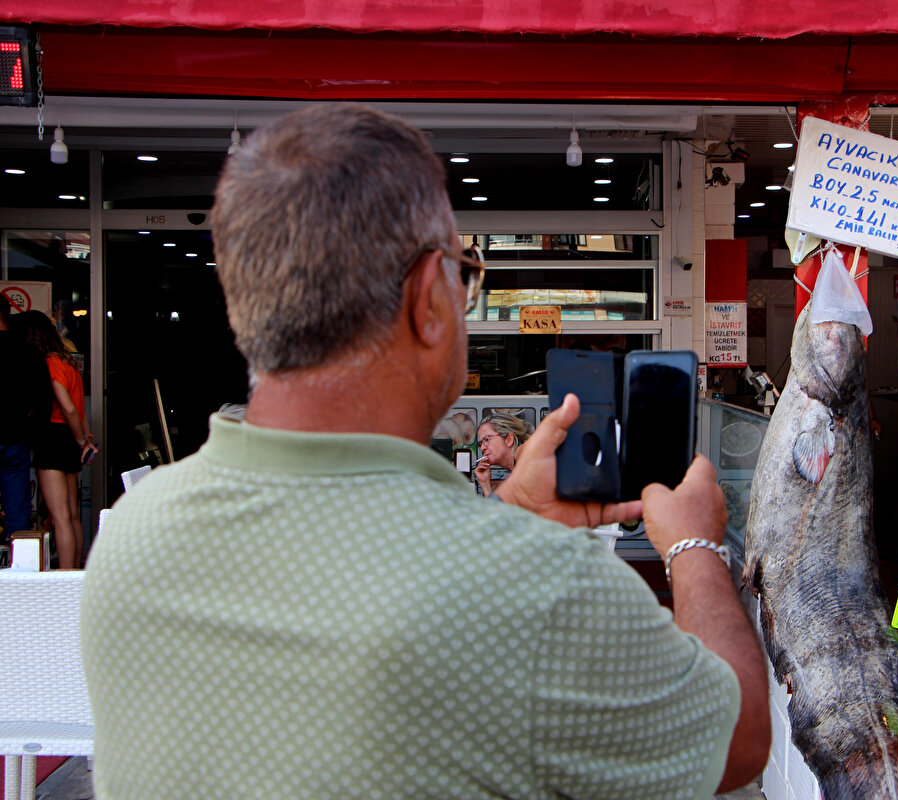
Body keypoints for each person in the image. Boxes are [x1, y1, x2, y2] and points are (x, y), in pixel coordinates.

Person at [80, 104, 768, 800]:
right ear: (426, 301)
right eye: (465, 274)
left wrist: (506, 516)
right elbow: (736, 739)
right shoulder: (536, 587)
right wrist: (693, 546)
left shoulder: (134, 533)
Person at [11, 309, 97, 569]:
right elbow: (80, 409)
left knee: (59, 517)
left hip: (54, 437)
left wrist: (81, 440)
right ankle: (74, 572)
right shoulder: (68, 361)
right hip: (70, 438)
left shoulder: (49, 362)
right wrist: (84, 438)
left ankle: (66, 575)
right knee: (72, 516)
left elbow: (67, 407)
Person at [0, 303, 53, 540]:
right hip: (16, 438)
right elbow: (44, 401)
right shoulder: (29, 352)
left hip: (16, 437)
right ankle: (20, 560)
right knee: (17, 512)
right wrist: (34, 434)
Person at [473, 412, 528, 497]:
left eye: (487, 439)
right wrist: (485, 484)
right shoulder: (518, 467)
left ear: (509, 440)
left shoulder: (525, 454)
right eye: (480, 444)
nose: (482, 448)